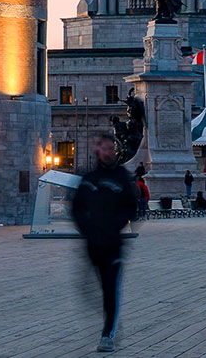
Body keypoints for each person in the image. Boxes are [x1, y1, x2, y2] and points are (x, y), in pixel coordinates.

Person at [73, 134, 138, 352]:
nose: (109, 152)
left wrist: (115, 226)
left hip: (113, 244)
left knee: (110, 289)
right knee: (88, 290)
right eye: (105, 148)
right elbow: (76, 208)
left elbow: (131, 207)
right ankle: (110, 318)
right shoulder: (89, 178)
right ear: (97, 150)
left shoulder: (122, 177)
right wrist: (87, 229)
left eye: (112, 148)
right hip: (93, 244)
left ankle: (107, 333)